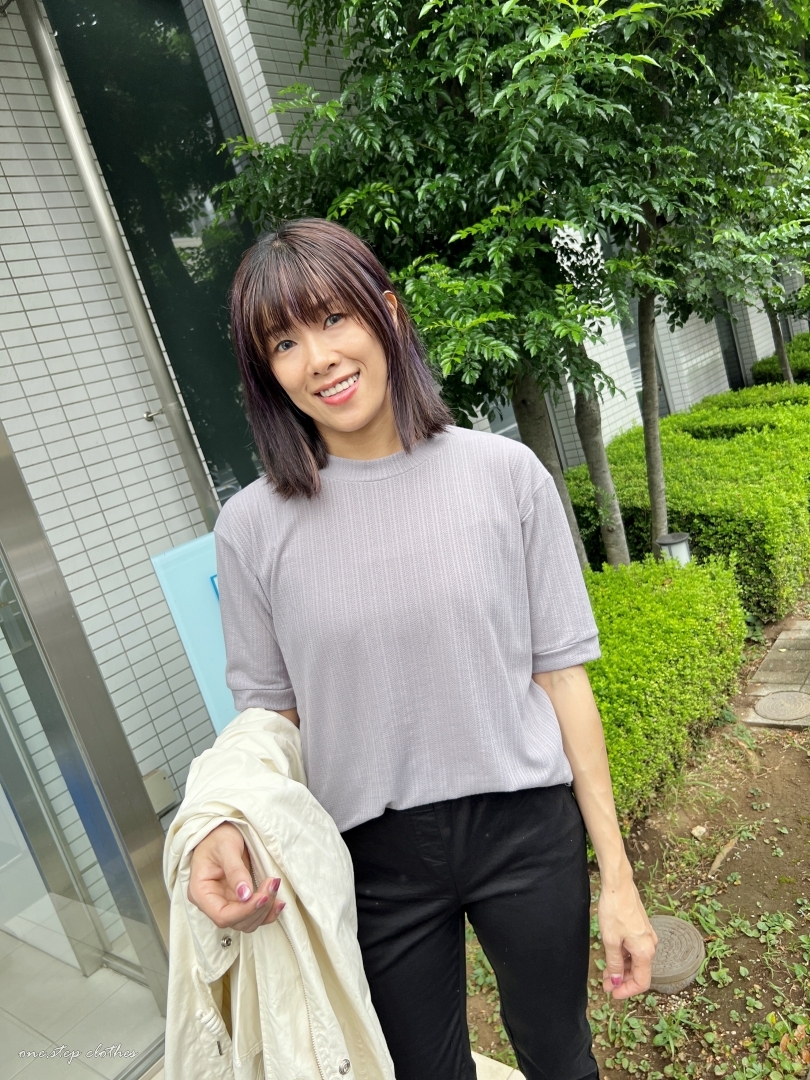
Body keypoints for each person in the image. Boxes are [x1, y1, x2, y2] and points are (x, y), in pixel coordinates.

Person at [187, 218, 657, 1080]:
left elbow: (562, 679)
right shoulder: (250, 529)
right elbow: (268, 717)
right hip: (370, 860)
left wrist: (619, 881)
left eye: (333, 319)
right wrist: (218, 816)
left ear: (389, 314)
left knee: (561, 1055)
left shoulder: (506, 476)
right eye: (284, 343)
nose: (318, 358)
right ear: (267, 375)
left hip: (525, 829)